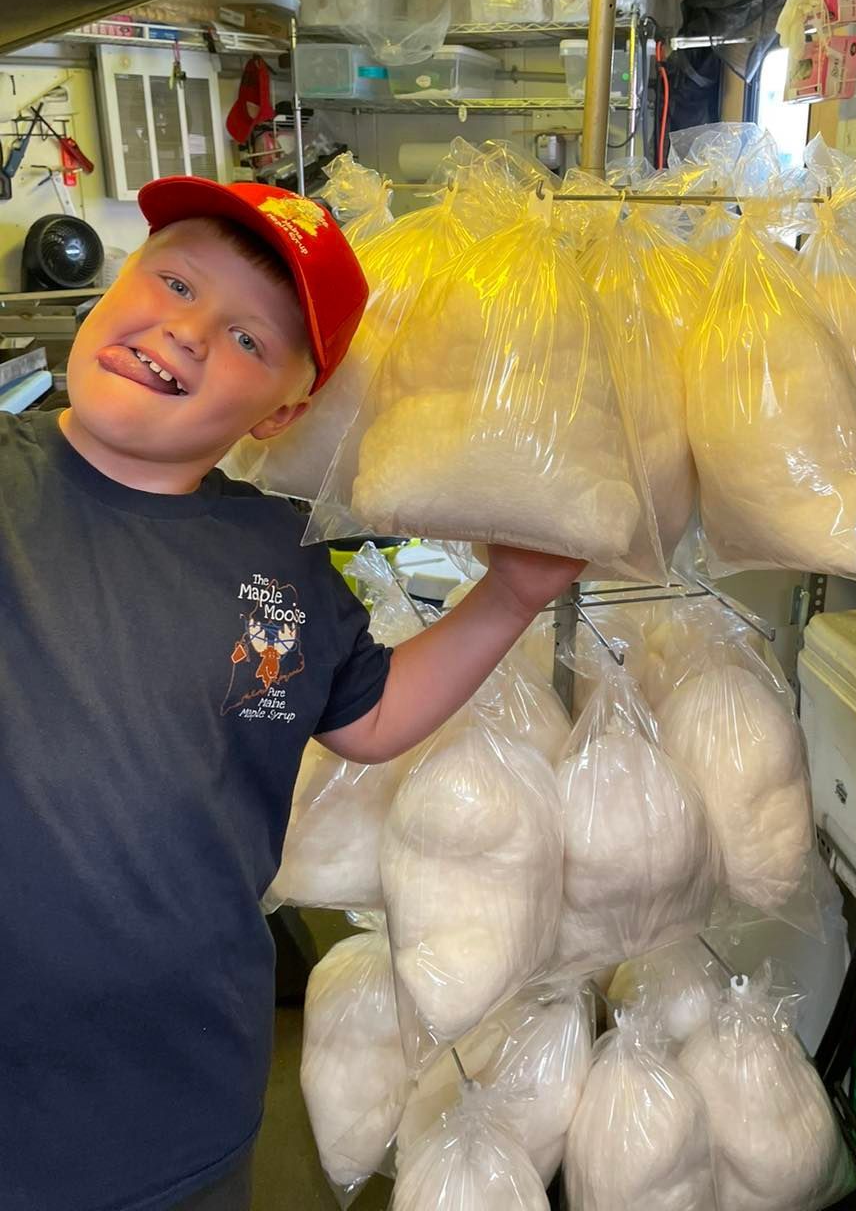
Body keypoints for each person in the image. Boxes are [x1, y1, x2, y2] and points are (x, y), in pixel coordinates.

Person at [0, 176, 584, 1211]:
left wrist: (508, 597)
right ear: (113, 282)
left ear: (287, 409)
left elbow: (368, 719)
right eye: (172, 280)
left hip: (176, 1111)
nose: (185, 331)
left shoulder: (279, 557)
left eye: (246, 339)